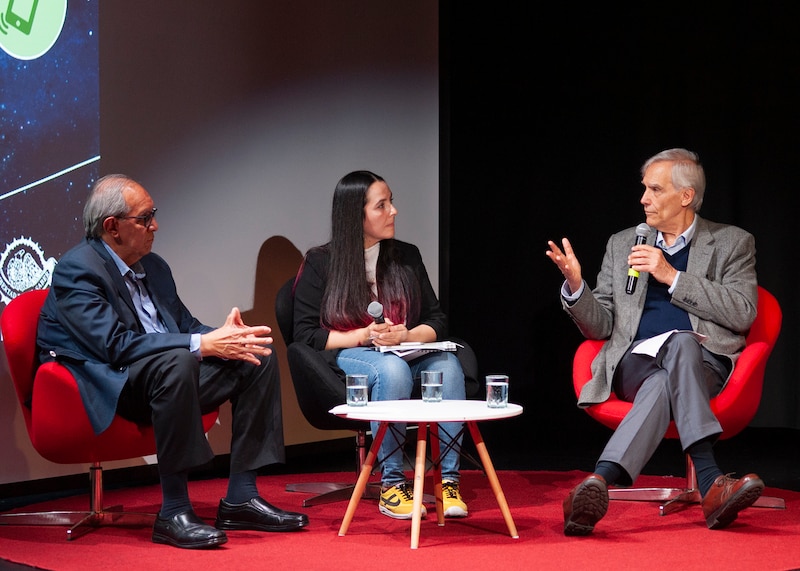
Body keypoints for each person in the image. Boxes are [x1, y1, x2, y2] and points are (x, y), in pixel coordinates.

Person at [36, 174, 309, 549]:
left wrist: (226, 338)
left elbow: (184, 326)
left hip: (162, 377)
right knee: (177, 362)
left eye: (154, 214)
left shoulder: (154, 266)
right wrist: (201, 343)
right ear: (112, 227)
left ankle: (241, 497)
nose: (155, 225)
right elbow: (114, 346)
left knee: (253, 355)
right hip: (114, 382)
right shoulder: (77, 269)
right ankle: (173, 511)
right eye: (145, 217)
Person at [545, 148, 765, 536]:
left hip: (704, 362)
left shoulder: (732, 242)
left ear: (685, 196)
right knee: (675, 349)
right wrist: (578, 288)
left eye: (655, 189)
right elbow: (602, 326)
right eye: (644, 188)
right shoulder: (623, 243)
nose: (643, 198)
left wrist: (671, 276)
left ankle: (598, 482)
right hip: (635, 362)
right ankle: (713, 482)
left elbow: (744, 311)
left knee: (680, 347)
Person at [292, 170, 468, 520]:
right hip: (350, 356)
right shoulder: (320, 263)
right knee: (391, 368)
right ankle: (392, 485)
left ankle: (447, 483)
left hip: (404, 349)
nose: (394, 212)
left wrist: (406, 335)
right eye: (382, 205)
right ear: (355, 215)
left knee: (447, 367)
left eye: (392, 202)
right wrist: (363, 336)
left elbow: (437, 321)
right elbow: (306, 335)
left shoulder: (406, 256)